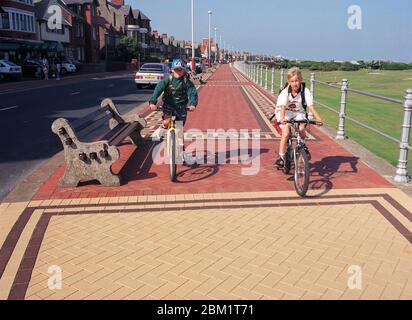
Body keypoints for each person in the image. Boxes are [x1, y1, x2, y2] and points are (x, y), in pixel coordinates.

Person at [274, 67, 323, 168]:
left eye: (296, 80)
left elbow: (310, 106)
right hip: (285, 113)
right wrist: (282, 119)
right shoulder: (285, 92)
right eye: (292, 81)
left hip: (298, 113)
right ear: (289, 82)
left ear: (301, 80)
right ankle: (282, 157)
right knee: (286, 132)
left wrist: (318, 118)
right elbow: (283, 106)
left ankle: (303, 145)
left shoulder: (305, 91)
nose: (295, 83)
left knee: (301, 128)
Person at [149, 60, 198, 136]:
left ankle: (180, 145)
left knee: (179, 128)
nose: (178, 72)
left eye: (180, 69)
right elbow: (157, 90)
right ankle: (163, 129)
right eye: (176, 69)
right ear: (172, 70)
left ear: (183, 70)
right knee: (166, 121)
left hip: (181, 106)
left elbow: (192, 93)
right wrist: (152, 102)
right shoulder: (168, 80)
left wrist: (193, 104)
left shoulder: (186, 82)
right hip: (169, 104)